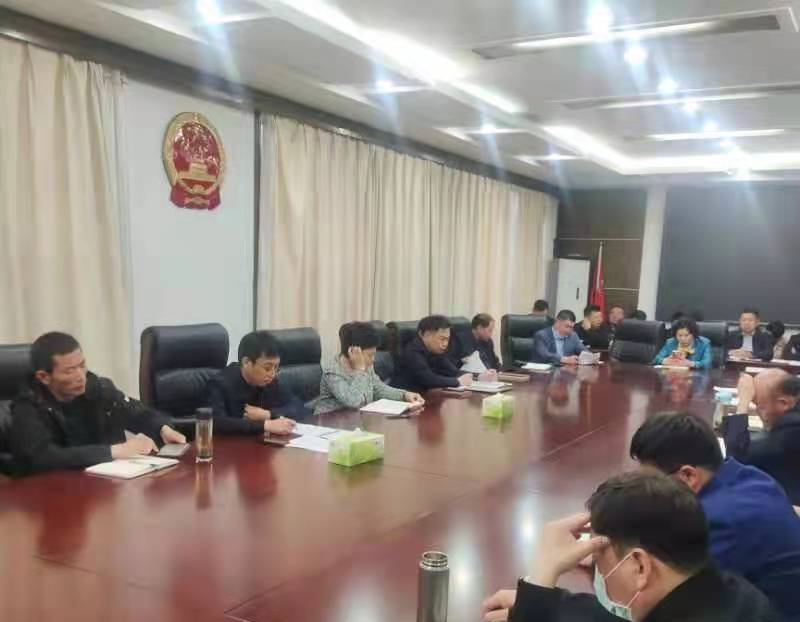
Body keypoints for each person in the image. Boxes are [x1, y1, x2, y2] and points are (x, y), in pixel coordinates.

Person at [481, 471, 776, 622]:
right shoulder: (728, 592)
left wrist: (541, 577)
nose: (598, 572)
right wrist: (548, 605)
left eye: (599, 559)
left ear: (640, 566)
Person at [630, 412, 800, 620]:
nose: (647, 491)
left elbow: (669, 593)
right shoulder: (746, 475)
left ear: (688, 476)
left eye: (652, 482)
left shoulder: (718, 521)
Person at [10, 332, 186, 475]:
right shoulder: (27, 405)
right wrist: (114, 451)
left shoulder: (97, 388)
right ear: (44, 377)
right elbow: (43, 457)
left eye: (82, 365)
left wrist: (162, 428)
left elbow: (133, 411)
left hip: (101, 484)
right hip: (52, 492)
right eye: (70, 371)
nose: (81, 376)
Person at [207, 331, 309, 436]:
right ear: (246, 362)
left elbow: (300, 409)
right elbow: (217, 422)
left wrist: (268, 414)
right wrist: (266, 425)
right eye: (267, 368)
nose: (272, 374)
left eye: (276, 367)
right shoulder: (219, 384)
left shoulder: (271, 382)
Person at [723, 369, 800, 504]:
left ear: (783, 403)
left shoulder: (788, 438)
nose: (758, 411)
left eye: (759, 405)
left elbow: (735, 462)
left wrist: (743, 403)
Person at [314, 322, 424, 415]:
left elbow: (378, 388)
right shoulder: (333, 371)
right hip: (330, 423)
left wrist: (404, 395)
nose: (373, 359)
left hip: (357, 420)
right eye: (370, 355)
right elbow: (353, 401)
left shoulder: (366, 366)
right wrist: (360, 370)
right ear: (353, 351)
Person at [391, 315, 473, 392]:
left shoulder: (435, 351)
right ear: (424, 334)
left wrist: (469, 375)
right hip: (404, 398)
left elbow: (452, 371)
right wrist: (457, 381)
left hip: (426, 395)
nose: (445, 344)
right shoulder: (412, 352)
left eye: (447, 339)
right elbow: (428, 379)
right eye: (442, 339)